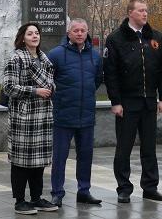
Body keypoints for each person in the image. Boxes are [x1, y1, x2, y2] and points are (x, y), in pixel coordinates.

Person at [103, 0, 162, 203]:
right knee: (124, 147)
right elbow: (110, 73)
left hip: (149, 102)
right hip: (127, 103)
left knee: (149, 147)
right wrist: (115, 101)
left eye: (146, 10)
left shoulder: (155, 37)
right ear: (130, 12)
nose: (145, 14)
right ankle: (124, 187)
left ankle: (150, 186)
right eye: (141, 10)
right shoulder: (116, 38)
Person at [2, 22, 59, 215]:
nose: (35, 36)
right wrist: (34, 91)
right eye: (30, 33)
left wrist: (50, 90)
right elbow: (8, 87)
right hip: (24, 117)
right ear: (23, 37)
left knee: (39, 161)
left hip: (43, 116)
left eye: (37, 33)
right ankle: (20, 201)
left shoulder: (45, 60)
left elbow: (51, 85)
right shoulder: (16, 58)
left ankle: (36, 198)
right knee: (21, 161)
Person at [48, 18, 103, 207]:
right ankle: (57, 192)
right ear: (69, 33)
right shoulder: (56, 54)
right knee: (60, 157)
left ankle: (84, 191)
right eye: (76, 30)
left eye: (83, 30)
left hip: (86, 115)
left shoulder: (95, 56)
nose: (80, 33)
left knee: (86, 155)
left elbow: (96, 80)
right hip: (63, 115)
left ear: (87, 32)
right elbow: (48, 82)